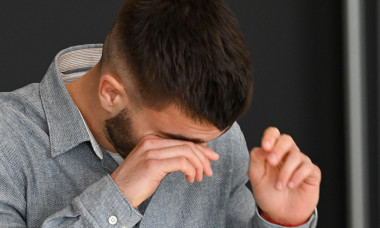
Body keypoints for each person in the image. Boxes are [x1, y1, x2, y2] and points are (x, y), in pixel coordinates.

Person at [0, 0, 321, 227]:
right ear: (111, 94)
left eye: (209, 139)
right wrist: (117, 197)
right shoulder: (8, 142)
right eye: (176, 139)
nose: (198, 153)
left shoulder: (217, 142)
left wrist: (281, 221)